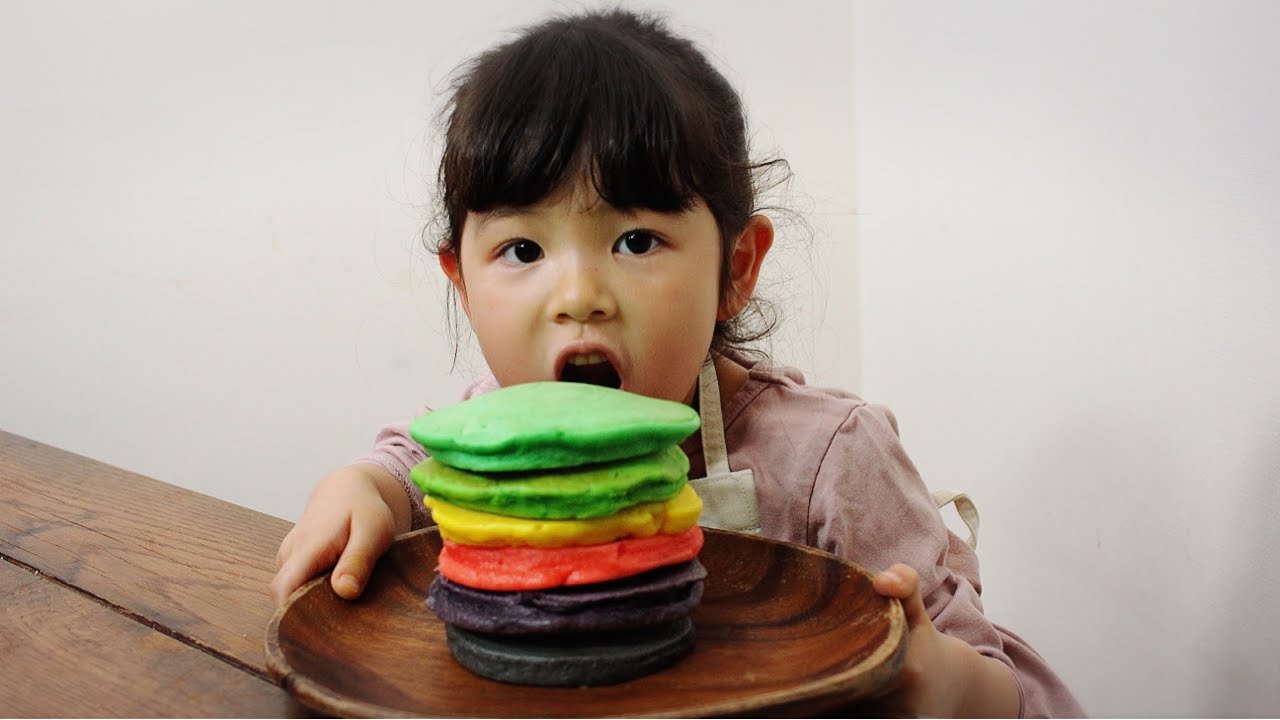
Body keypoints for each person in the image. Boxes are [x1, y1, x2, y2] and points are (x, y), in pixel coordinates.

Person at [271, 9, 1084, 717]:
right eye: (523, 249)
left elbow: (1007, 691)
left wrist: (940, 683)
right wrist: (366, 488)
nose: (580, 296)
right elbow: (413, 465)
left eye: (636, 241)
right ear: (463, 283)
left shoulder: (831, 462)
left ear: (734, 269)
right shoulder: (492, 430)